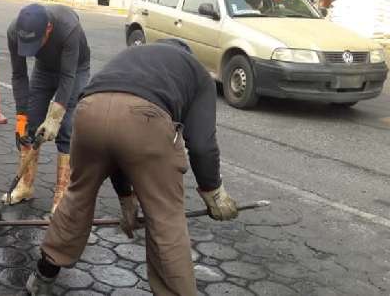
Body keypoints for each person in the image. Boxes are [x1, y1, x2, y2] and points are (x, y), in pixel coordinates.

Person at [26, 39, 239, 296]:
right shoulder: (196, 72)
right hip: (145, 117)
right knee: (165, 216)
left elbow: (115, 146)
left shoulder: (132, 55)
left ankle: (42, 276)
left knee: (77, 197)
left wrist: (127, 200)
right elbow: (202, 145)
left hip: (89, 111)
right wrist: (213, 191)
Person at [5, 3, 91, 213]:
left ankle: (63, 194)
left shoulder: (68, 27)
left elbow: (68, 77)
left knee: (66, 128)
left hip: (75, 70)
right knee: (30, 126)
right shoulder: (14, 31)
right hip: (44, 70)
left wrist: (54, 118)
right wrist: (21, 119)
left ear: (49, 29)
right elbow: (19, 76)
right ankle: (25, 186)